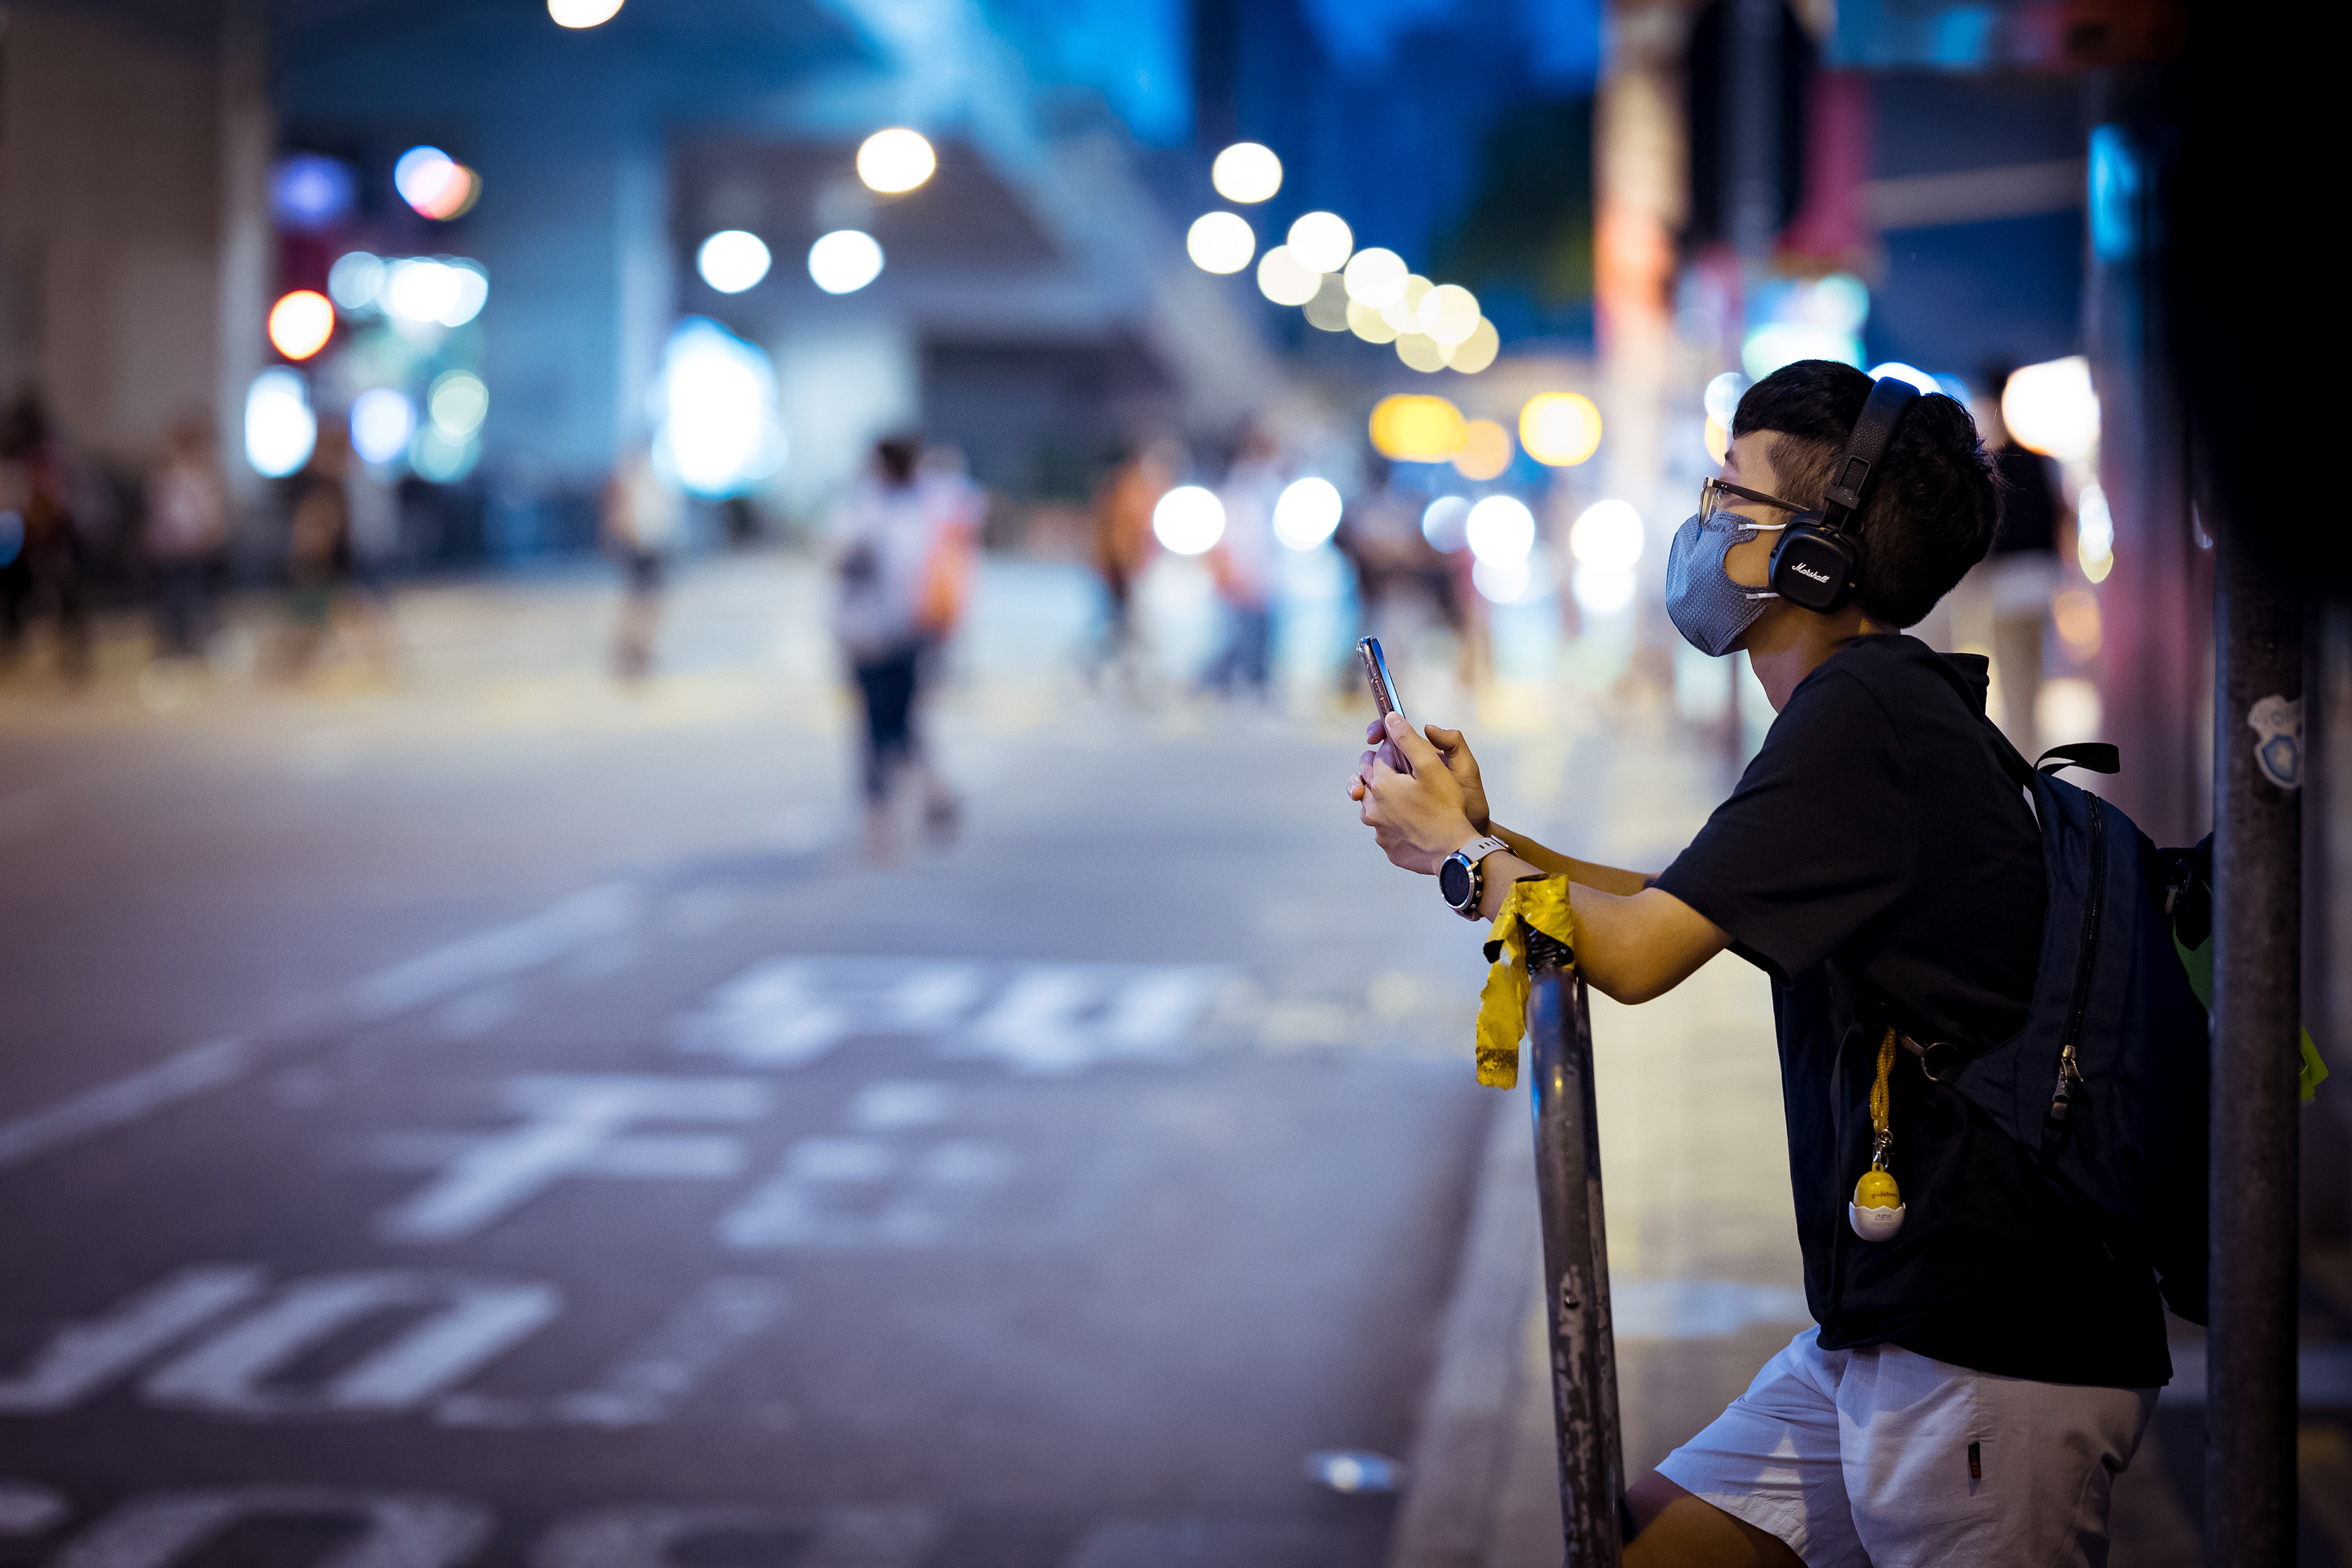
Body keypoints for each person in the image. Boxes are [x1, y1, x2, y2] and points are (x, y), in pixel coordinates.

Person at [1353, 360, 2163, 1568]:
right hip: (1887, 1331)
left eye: (1730, 495)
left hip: (1993, 1349)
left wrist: (1462, 862)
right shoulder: (1868, 708)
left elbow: (1632, 958)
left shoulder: (1863, 716)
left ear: (1818, 557)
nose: (1703, 524)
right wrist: (1489, 827)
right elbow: (1676, 899)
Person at [832, 435, 963, 861]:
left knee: (874, 727)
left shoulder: (866, 509)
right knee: (904, 722)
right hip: (913, 630)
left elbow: (847, 568)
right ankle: (930, 789)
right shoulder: (929, 507)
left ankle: (882, 821)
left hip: (872, 632)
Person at [0, 392, 92, 679]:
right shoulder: (20, 464)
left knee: (66, 592)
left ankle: (73, 653)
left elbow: (65, 508)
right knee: (16, 589)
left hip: (57, 536)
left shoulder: (53, 458)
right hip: (26, 538)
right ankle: (15, 643)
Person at [1203, 426, 1280, 699]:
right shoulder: (1239, 487)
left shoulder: (1272, 485)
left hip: (1264, 579)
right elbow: (1234, 536)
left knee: (1257, 640)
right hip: (1242, 578)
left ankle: (1250, 688)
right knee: (1235, 639)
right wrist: (1231, 573)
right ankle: (1219, 686)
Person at [145, 417, 230, 662]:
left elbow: (214, 515)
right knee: (172, 600)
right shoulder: (168, 476)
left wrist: (213, 534)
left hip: (199, 551)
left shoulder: (206, 476)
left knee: (200, 599)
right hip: (170, 552)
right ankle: (173, 646)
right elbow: (161, 514)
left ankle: (199, 643)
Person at [602, 443, 683, 682]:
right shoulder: (634, 477)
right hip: (642, 545)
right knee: (641, 601)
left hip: (654, 544)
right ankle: (632, 651)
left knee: (647, 601)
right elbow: (623, 517)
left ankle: (639, 649)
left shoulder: (653, 477)